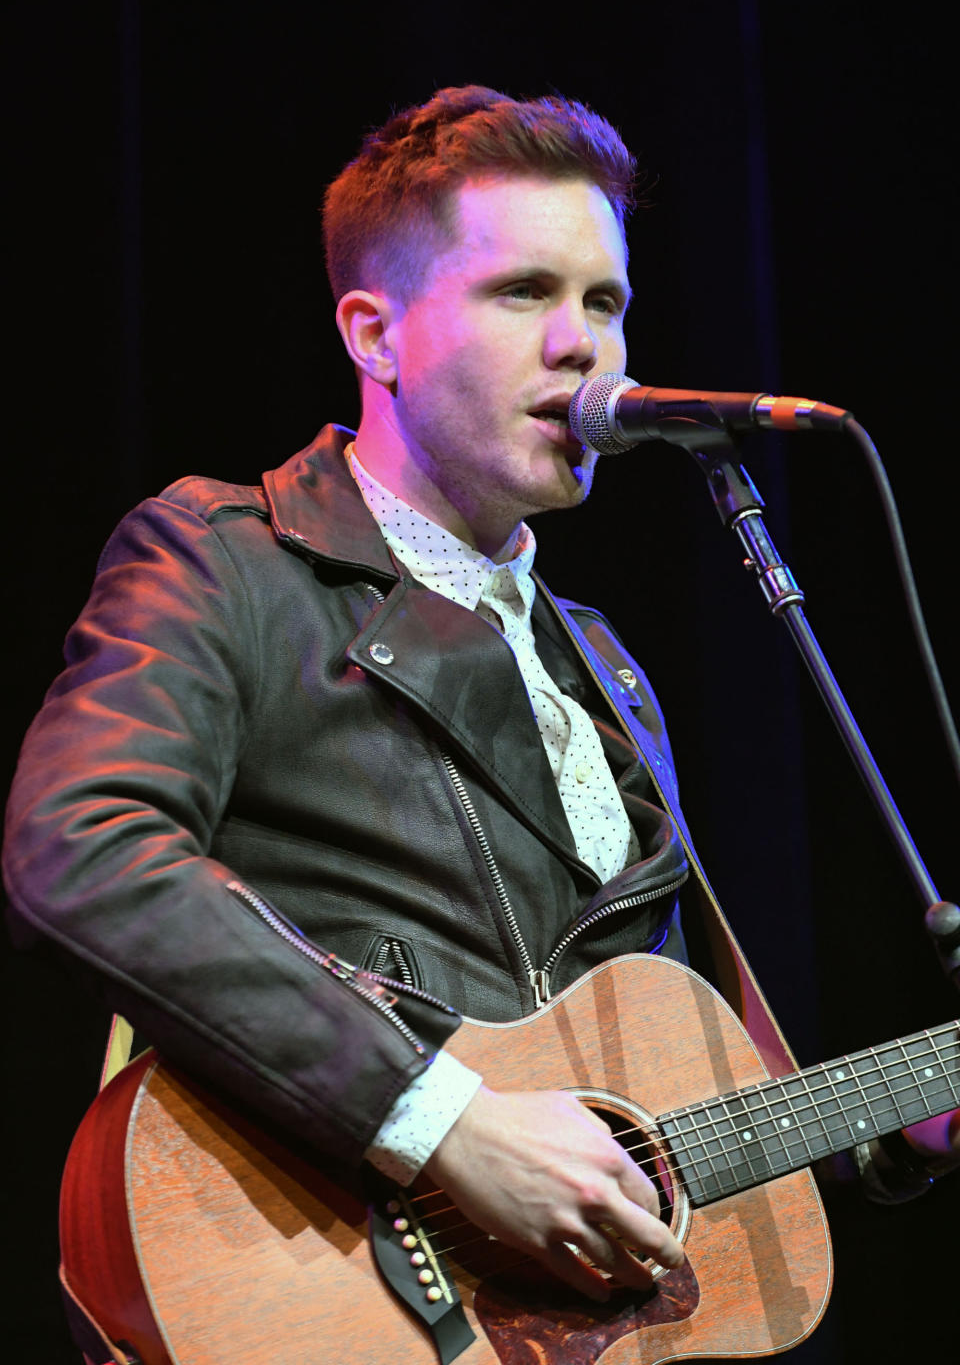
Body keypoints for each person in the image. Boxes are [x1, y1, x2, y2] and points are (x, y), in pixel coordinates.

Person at [4, 86, 958, 1319]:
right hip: (326, 1298)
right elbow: (82, 851)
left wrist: (891, 1134)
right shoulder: (225, 561)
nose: (585, 347)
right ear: (375, 334)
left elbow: (642, 1087)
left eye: (605, 301)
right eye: (526, 294)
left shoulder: (603, 668)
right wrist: (441, 1122)